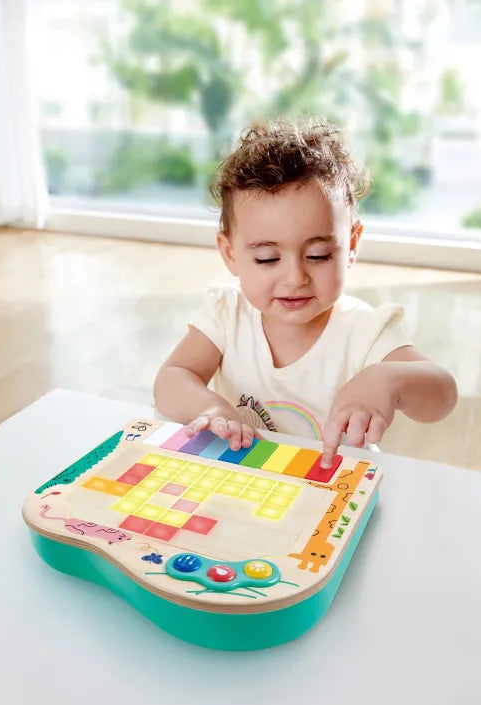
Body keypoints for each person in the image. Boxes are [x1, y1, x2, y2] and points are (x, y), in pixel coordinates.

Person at [153, 120, 457, 468]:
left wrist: (388, 380)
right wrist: (210, 409)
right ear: (230, 254)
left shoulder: (364, 330)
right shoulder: (227, 313)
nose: (295, 278)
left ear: (351, 245)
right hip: (246, 479)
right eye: (267, 258)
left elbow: (443, 393)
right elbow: (173, 377)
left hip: (333, 486)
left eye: (318, 255)